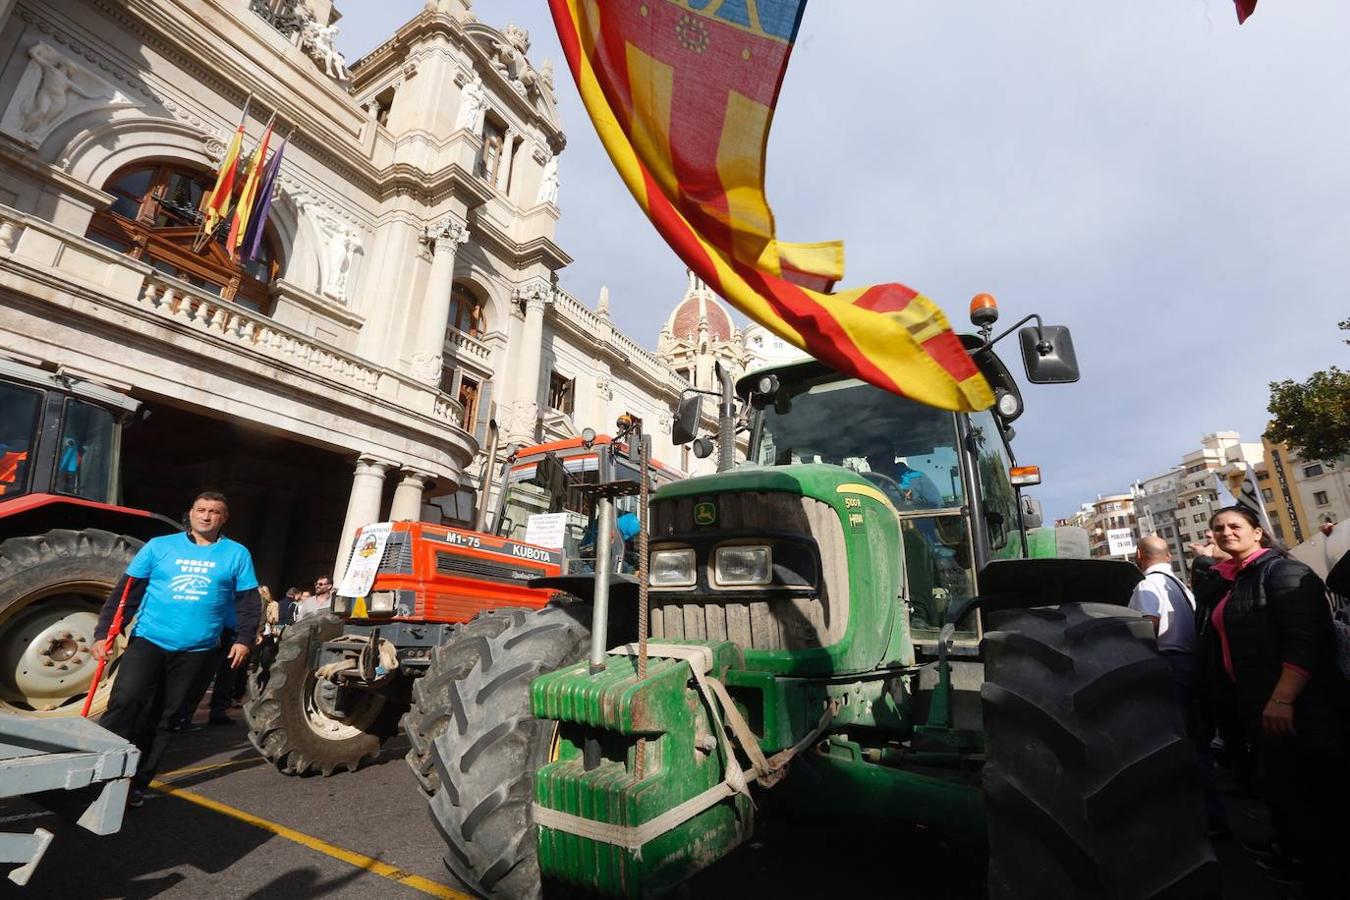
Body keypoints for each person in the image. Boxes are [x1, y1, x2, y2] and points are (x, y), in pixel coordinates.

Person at [1192, 505, 1348, 891]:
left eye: (1235, 526)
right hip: (1259, 706)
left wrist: (1283, 698)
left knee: (1312, 794)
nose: (1226, 533)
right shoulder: (1236, 580)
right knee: (1282, 790)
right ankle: (1300, 859)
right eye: (1218, 528)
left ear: (1258, 532)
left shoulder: (1283, 572)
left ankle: (1326, 872)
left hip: (1299, 708)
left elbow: (1307, 638)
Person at [93, 491, 259, 808]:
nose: (207, 515)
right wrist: (106, 633)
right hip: (150, 641)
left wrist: (244, 639)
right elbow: (126, 593)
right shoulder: (159, 547)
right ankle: (97, 775)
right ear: (191, 513)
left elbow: (248, 603)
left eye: (215, 511)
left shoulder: (237, 554)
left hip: (197, 651)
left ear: (224, 518)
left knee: (165, 718)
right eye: (201, 509)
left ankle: (136, 786)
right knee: (125, 703)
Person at [1129, 535, 1226, 834]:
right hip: (1190, 665)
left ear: (1138, 556)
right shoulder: (1182, 586)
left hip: (1168, 666)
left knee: (1175, 744)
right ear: (1169, 556)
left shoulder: (1147, 586)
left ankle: (1193, 819)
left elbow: (1148, 627)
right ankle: (1213, 815)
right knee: (1195, 744)